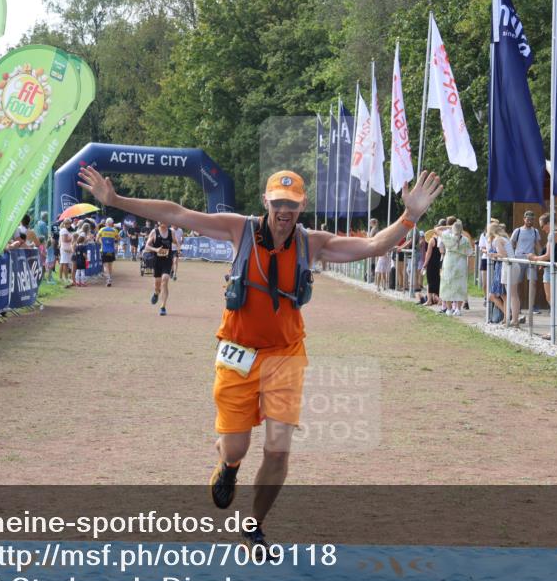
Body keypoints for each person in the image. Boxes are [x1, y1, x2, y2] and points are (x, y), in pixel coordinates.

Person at [78, 165, 443, 554]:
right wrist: (116, 201)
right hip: (238, 353)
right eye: (279, 202)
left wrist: (410, 217)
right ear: (266, 201)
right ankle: (229, 467)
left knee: (278, 448)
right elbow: (177, 214)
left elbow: (372, 246)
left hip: (285, 355)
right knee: (235, 448)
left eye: (293, 204)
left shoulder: (311, 243)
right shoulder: (240, 230)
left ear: (301, 206)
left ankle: (253, 526)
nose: (285, 210)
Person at [528, 213, 557, 340]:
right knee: (555, 300)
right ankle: (556, 329)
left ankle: (554, 330)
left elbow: (548, 256)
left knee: (552, 300)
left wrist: (534, 258)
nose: (542, 229)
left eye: (542, 226)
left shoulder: (553, 234)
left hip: (553, 270)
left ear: (548, 223)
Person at [509, 210, 541, 324]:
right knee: (517, 284)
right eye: (528, 219)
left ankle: (531, 306)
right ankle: (518, 306)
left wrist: (541, 259)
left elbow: (537, 245)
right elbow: (511, 243)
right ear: (524, 219)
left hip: (531, 260)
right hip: (519, 259)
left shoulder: (535, 231)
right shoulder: (517, 231)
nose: (530, 221)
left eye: (532, 219)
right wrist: (513, 256)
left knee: (533, 282)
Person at [439, 220, 472, 315]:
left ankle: (449, 309)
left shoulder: (448, 237)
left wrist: (448, 227)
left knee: (447, 285)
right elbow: (469, 252)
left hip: (449, 263)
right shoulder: (465, 239)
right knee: (460, 285)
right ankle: (458, 309)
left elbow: (436, 229)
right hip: (461, 264)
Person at [145, 221, 176, 315]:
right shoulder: (154, 232)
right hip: (157, 261)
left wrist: (178, 249)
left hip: (167, 260)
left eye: (166, 220)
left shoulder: (171, 232)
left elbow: (176, 242)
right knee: (157, 285)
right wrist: (156, 249)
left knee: (165, 280)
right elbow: (147, 246)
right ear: (158, 222)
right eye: (162, 220)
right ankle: (156, 293)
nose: (164, 222)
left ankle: (163, 307)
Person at [487, 222, 512, 324]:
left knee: (502, 295)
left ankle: (507, 316)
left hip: (501, 267)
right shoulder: (503, 238)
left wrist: (492, 255)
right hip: (501, 267)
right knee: (494, 295)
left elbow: (503, 254)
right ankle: (507, 315)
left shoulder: (498, 239)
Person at [420, 219, 445, 305]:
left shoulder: (432, 240)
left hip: (432, 263)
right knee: (440, 281)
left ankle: (429, 300)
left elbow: (428, 254)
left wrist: (425, 264)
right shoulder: (446, 239)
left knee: (430, 281)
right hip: (441, 263)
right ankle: (440, 300)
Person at [98, 218, 120, 287]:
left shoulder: (102, 230)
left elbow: (97, 238)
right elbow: (118, 238)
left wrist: (101, 242)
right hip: (111, 250)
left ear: (106, 223)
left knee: (105, 265)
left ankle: (108, 279)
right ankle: (109, 278)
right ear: (112, 223)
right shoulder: (114, 230)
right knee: (110, 265)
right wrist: (114, 240)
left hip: (104, 250)